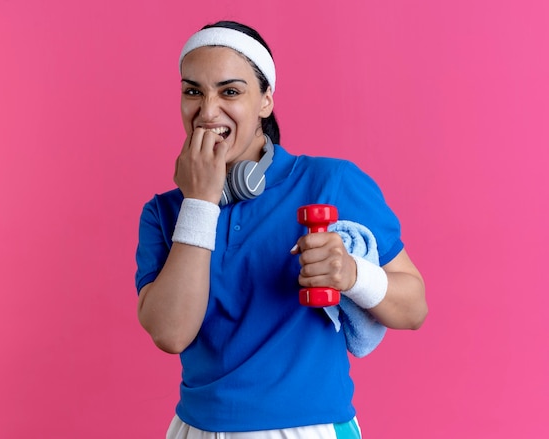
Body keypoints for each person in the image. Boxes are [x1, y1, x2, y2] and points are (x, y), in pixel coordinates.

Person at [135, 20, 427, 439]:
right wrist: (199, 203)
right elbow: (171, 333)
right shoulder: (165, 211)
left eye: (230, 91)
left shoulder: (329, 181)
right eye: (192, 91)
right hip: (194, 428)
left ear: (266, 100)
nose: (208, 111)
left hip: (308, 428)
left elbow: (414, 307)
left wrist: (352, 274)